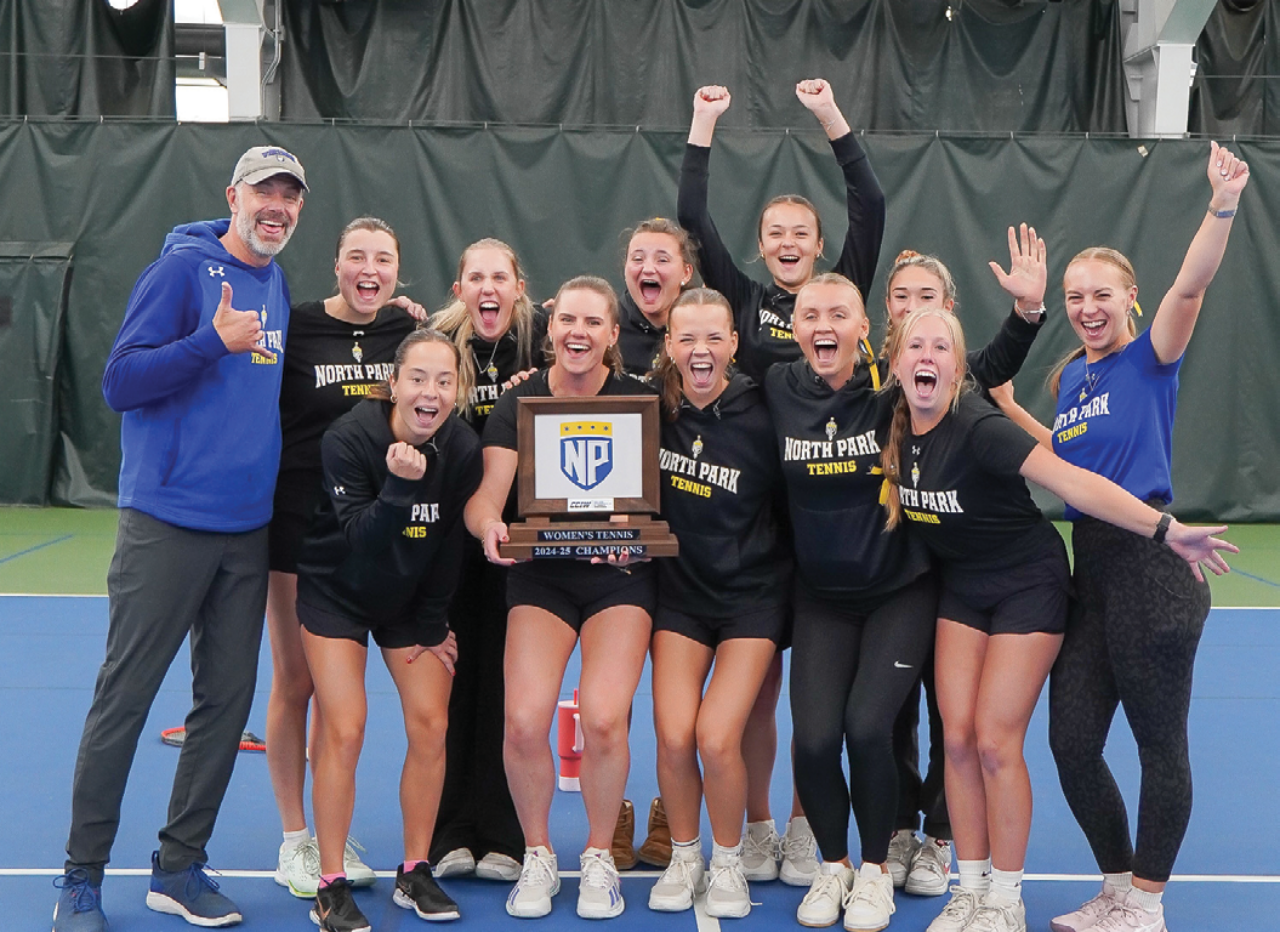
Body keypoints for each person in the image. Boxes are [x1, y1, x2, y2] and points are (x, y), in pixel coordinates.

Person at [879, 308, 1234, 932]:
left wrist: (1164, 528)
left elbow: (1075, 479)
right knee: (956, 739)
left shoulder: (980, 427)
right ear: (897, 362)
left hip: (1027, 583)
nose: (926, 355)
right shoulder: (897, 429)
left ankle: (1007, 900)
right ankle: (972, 886)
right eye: (915, 345)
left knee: (993, 740)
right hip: (964, 589)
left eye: (941, 346)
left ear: (957, 367)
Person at [991, 142, 1250, 932]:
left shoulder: (1151, 356)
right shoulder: (1072, 377)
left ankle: (1147, 902)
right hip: (1091, 571)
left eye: (1101, 293)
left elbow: (1193, 283)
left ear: (1130, 298)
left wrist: (1221, 202)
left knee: (1158, 745)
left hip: (1153, 564)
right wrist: (1002, 403)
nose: (1086, 306)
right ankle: (1113, 887)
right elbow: (1066, 463)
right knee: (1071, 743)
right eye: (1075, 296)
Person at [53, 146, 306, 932]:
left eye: (290, 197)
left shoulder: (278, 283)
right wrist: (209, 342)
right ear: (233, 195)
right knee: (123, 702)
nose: (277, 207)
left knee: (225, 708)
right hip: (165, 525)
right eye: (264, 191)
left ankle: (178, 866)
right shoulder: (181, 272)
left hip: (246, 534)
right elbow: (120, 382)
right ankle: (81, 879)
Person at [765, 268, 1041, 931]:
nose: (824, 326)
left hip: (899, 592)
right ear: (793, 326)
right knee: (812, 740)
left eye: (839, 314)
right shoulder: (775, 388)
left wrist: (1026, 314)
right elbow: (692, 371)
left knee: (869, 730)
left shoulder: (890, 389)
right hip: (822, 599)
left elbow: (972, 365)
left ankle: (875, 873)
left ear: (866, 330)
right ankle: (833, 868)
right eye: (810, 315)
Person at [679, 76, 884, 884]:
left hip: (835, 523)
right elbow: (695, 218)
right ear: (762, 248)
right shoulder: (746, 299)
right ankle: (761, 823)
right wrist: (704, 124)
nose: (790, 241)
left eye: (802, 230)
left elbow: (868, 200)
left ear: (819, 242)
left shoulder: (843, 297)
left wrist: (830, 114)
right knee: (758, 698)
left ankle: (809, 826)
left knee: (817, 700)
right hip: (761, 525)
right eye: (776, 232)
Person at [464, 276, 657, 920]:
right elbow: (489, 494)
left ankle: (599, 856)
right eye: (567, 320)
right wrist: (489, 523)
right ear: (549, 329)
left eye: (592, 323)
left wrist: (639, 541)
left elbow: (660, 504)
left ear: (611, 335)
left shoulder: (641, 400)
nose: (578, 332)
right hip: (541, 575)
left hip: (619, 578)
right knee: (522, 721)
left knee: (604, 717)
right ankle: (540, 853)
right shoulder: (518, 403)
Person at [879, 232, 1049, 898]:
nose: (911, 308)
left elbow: (1001, 355)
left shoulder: (956, 378)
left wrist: (1028, 312)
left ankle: (945, 841)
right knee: (894, 711)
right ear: (884, 310)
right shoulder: (874, 382)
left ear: (948, 308)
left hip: (965, 579)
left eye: (926, 298)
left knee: (964, 723)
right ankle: (897, 827)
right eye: (900, 298)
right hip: (888, 582)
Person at [295, 328, 480, 931]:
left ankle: (415, 869)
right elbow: (360, 541)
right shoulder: (349, 438)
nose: (431, 391)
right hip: (337, 591)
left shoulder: (461, 447)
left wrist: (430, 624)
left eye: (445, 381)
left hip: (408, 602)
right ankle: (330, 883)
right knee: (344, 730)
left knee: (431, 723)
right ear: (393, 384)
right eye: (419, 378)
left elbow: (450, 544)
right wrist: (399, 485)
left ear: (457, 390)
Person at [268, 217, 419, 898]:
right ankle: (294, 839)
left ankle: (330, 829)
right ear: (335, 264)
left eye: (382, 259)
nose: (369, 268)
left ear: (396, 272)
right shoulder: (297, 326)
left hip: (366, 532)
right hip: (297, 528)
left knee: (340, 699)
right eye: (356, 255)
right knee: (296, 683)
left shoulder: (406, 333)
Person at [644, 289, 791, 919]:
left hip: (751, 601)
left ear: (734, 344)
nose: (700, 350)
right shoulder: (648, 407)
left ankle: (728, 860)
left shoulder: (766, 411)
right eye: (687, 338)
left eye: (714, 338)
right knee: (675, 735)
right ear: (669, 346)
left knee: (715, 734)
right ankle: (685, 854)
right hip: (679, 599)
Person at [429, 238, 546, 882]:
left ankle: (504, 831)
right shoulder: (437, 350)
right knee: (452, 682)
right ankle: (451, 828)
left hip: (514, 546)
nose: (488, 287)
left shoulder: (543, 348)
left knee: (505, 688)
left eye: (500, 275)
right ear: (460, 289)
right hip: (450, 545)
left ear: (519, 286)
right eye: (476, 276)